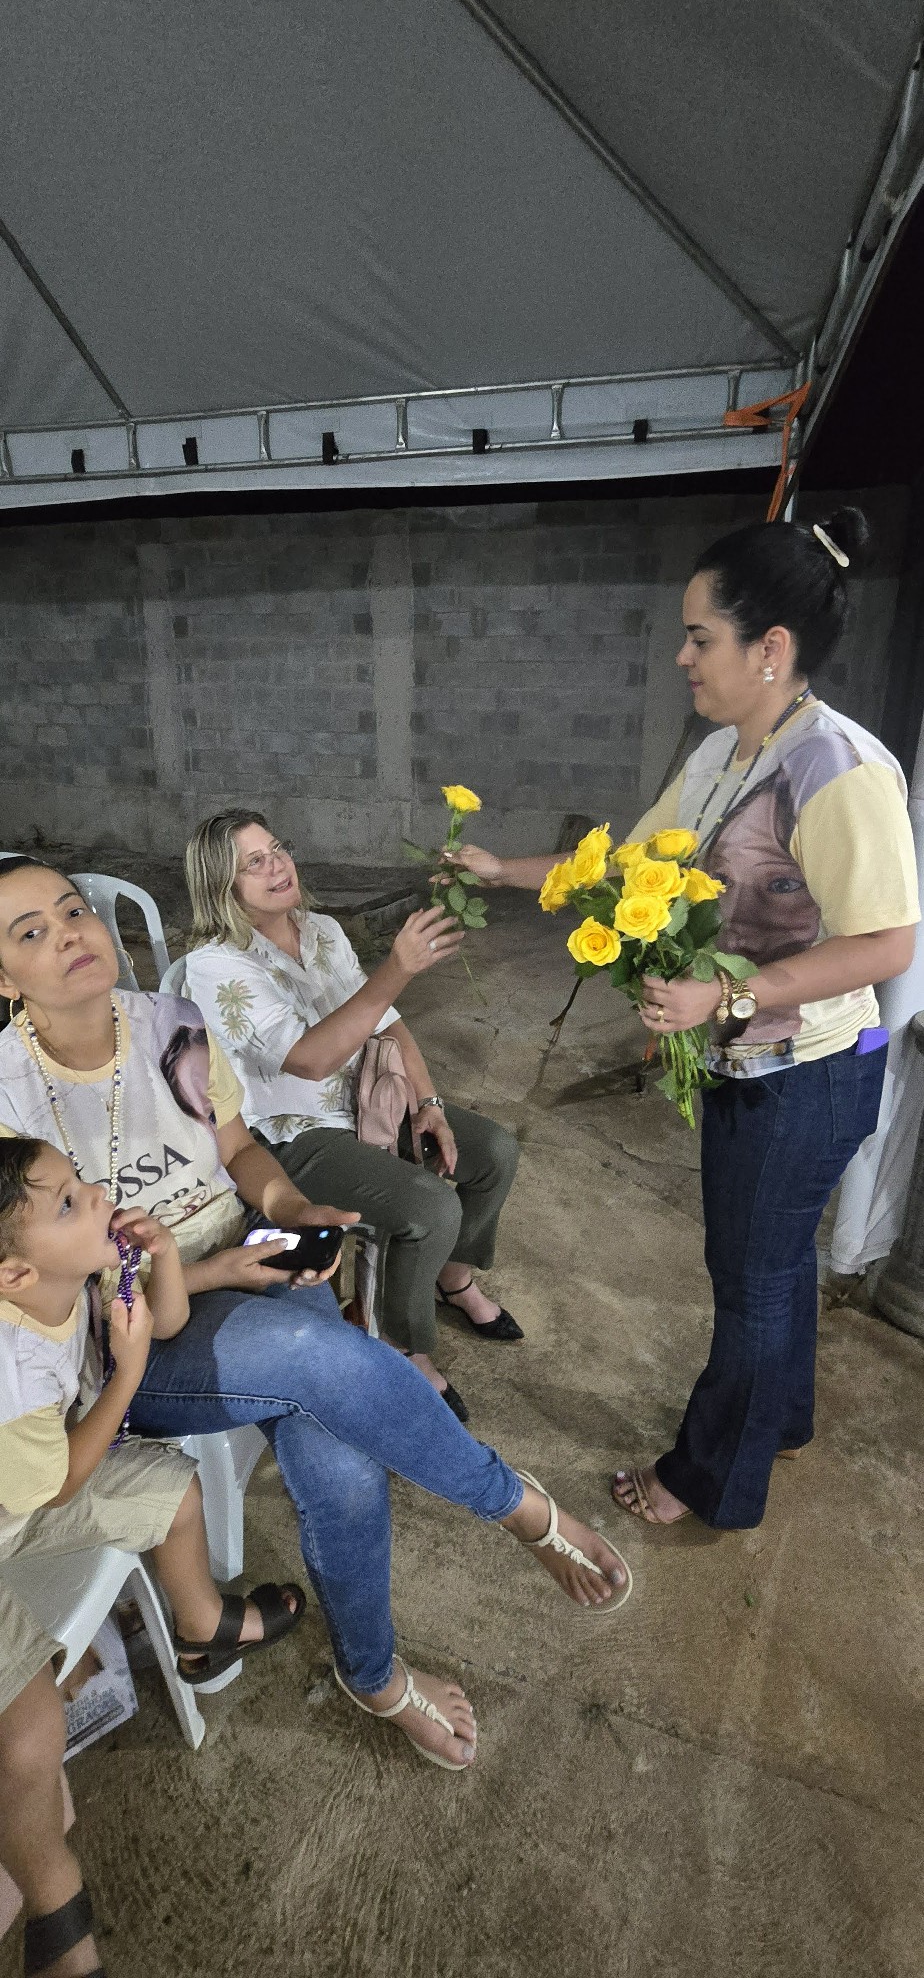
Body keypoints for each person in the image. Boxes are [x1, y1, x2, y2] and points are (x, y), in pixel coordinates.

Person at [0, 857, 631, 1789]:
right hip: (129, 1331)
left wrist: (290, 1209)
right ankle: (522, 1509)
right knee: (314, 1354)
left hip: (243, 1252)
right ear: (4, 978)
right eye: (30, 933)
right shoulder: (9, 1094)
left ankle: (371, 1676)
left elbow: (238, 1148)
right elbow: (45, 1288)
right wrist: (212, 1267)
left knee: (336, 1440)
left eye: (71, 910)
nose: (69, 933)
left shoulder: (169, 1025)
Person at [448, 508, 919, 1532]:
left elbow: (887, 946)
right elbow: (623, 869)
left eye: (701, 636)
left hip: (812, 1073)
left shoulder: (839, 772)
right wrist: (505, 869)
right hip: (750, 1069)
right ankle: (779, 1420)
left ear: (772, 648)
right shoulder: (724, 753)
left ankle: (711, 1476)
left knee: (750, 1279)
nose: (682, 656)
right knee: (772, 1260)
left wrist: (725, 995)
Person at [0, 1137, 303, 1978]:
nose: (95, 1193)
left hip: (35, 1484)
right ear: (15, 1277)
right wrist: (129, 1371)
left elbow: (163, 1318)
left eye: (77, 1182)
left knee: (172, 1494)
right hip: (32, 1488)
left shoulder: (72, 1270)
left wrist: (167, 1257)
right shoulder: (9, 1379)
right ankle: (59, 1933)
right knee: (27, 1737)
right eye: (67, 1201)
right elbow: (58, 1488)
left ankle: (204, 1629)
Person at [182, 810, 524, 1421]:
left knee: (492, 1150)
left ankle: (453, 1279)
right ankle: (402, 1342)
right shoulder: (216, 966)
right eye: (252, 863)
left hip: (365, 1100)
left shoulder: (320, 931)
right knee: (428, 1205)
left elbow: (385, 1023)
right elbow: (310, 1061)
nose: (277, 865)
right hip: (286, 1135)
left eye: (278, 848)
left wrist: (429, 1104)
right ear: (221, 887)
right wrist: (397, 969)